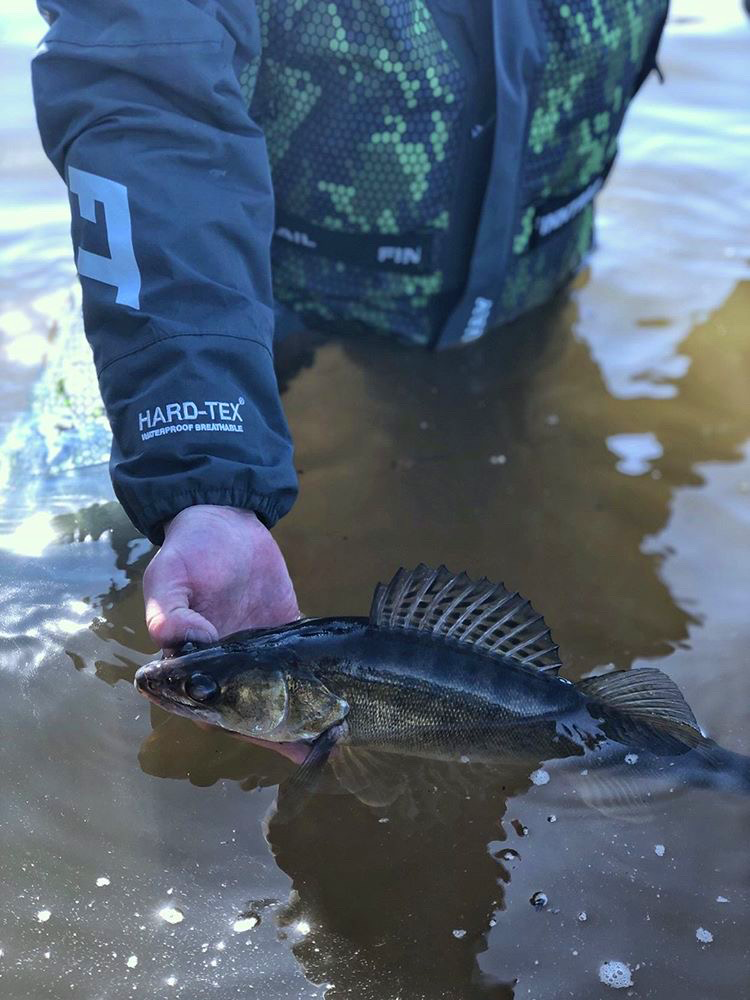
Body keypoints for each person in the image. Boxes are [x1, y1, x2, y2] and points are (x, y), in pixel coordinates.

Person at [32, 1, 669, 648]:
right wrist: (198, 469)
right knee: (62, 551)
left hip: (521, 302)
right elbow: (141, 86)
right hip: (224, 296)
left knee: (538, 558)